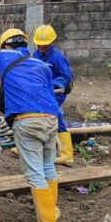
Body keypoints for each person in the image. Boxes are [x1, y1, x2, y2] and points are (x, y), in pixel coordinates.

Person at [0, 29, 60, 222]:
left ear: (5, 45)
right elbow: (49, 91)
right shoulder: (41, 64)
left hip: (26, 120)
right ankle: (51, 209)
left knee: (34, 172)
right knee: (48, 167)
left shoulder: (3, 55)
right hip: (51, 119)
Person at [33, 25, 74, 166]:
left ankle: (67, 155)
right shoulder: (35, 55)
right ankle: (36, 149)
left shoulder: (57, 58)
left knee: (54, 115)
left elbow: (65, 76)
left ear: (51, 42)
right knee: (36, 117)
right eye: (39, 44)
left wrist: (54, 85)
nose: (41, 47)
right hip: (42, 91)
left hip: (56, 93)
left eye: (44, 44)